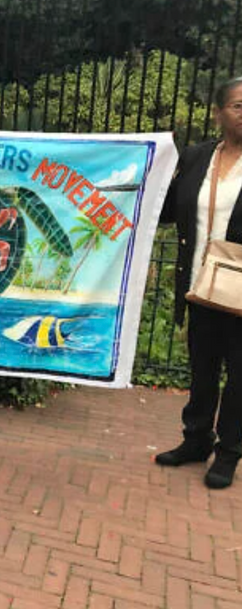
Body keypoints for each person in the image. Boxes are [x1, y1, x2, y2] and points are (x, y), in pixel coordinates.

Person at [155, 77, 242, 489]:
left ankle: (228, 453)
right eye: (239, 105)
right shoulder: (196, 157)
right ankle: (195, 439)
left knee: (240, 374)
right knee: (202, 368)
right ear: (218, 112)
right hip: (198, 284)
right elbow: (168, 208)